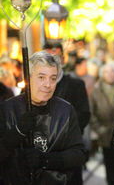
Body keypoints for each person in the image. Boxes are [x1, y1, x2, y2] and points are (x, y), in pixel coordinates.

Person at [0, 51, 86, 184]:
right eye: (41, 77)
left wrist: (46, 160)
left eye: (53, 78)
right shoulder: (7, 109)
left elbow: (78, 154)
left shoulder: (65, 111)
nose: (48, 84)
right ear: (28, 77)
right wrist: (17, 132)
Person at [44, 43, 90, 185]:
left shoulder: (76, 84)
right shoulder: (34, 86)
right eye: (48, 58)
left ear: (63, 59)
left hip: (68, 150)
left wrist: (66, 134)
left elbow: (84, 114)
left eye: (56, 57)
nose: (52, 61)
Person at [90, 63, 114, 185]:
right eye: (107, 72)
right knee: (110, 166)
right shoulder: (96, 90)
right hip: (105, 134)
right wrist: (99, 129)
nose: (110, 74)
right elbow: (92, 112)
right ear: (102, 75)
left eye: (112, 72)